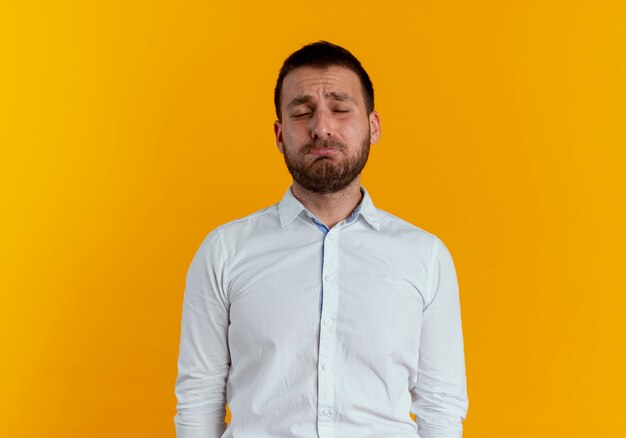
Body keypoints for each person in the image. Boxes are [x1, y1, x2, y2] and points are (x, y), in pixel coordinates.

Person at [174, 41, 468, 438]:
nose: (322, 127)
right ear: (279, 134)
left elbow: (440, 407)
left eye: (341, 108)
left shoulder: (425, 257)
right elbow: (199, 400)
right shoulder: (224, 252)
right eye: (302, 112)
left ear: (373, 126)